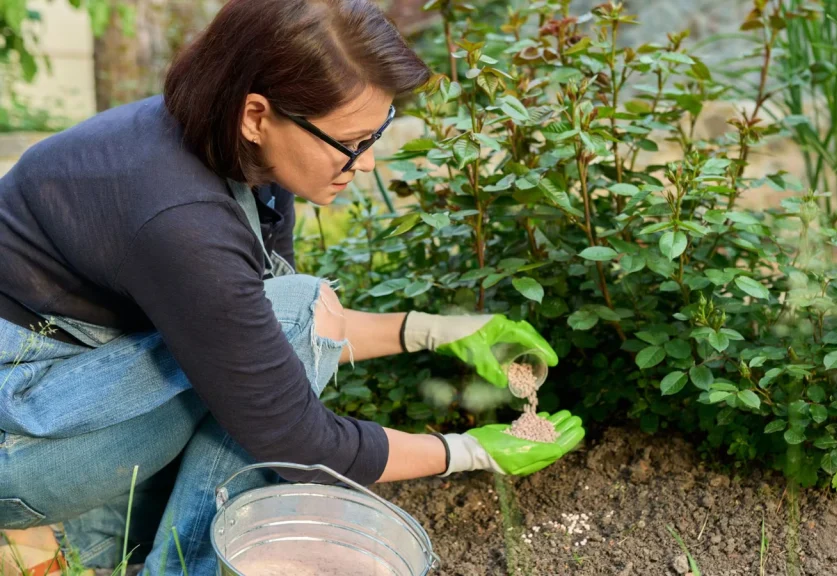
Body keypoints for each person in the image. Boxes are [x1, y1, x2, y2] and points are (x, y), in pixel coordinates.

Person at [0, 0, 585, 574]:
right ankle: (186, 564)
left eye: (375, 134)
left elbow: (259, 333)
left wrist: (440, 331)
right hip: (23, 451)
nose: (368, 163)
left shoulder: (237, 153)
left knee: (297, 312)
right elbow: (296, 433)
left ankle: (122, 534)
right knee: (300, 313)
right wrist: (467, 452)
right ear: (257, 114)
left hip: (70, 395)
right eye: (352, 141)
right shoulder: (180, 218)